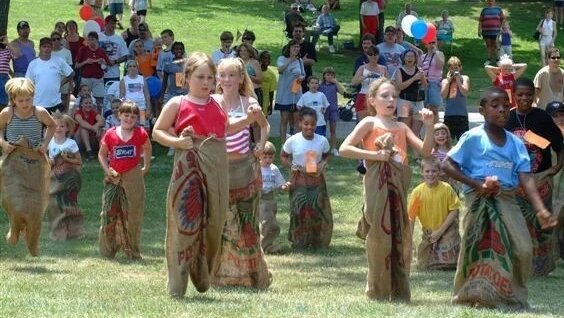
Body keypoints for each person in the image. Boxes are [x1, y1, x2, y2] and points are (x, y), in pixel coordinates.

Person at [152, 51, 257, 297]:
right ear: (187, 77)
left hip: (217, 168)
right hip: (188, 168)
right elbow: (158, 132)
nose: (207, 83)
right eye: (200, 77)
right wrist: (178, 142)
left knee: (214, 221)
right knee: (184, 222)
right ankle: (176, 285)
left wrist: (248, 120)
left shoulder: (218, 102)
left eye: (210, 78)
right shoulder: (177, 103)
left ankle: (201, 273)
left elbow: (226, 128)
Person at [443, 86, 556, 310]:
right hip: (478, 199)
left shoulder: (515, 143)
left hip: (507, 199)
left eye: (506, 105)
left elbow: (526, 178)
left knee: (522, 248)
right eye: (495, 106)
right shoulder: (473, 137)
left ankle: (513, 296)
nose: (502, 110)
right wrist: (477, 184)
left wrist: (541, 209)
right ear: (482, 110)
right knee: (476, 247)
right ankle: (470, 295)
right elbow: (447, 164)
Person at [339, 78, 435, 301]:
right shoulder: (369, 123)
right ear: (372, 100)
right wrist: (375, 156)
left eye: (394, 95)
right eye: (385, 96)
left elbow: (426, 151)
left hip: (398, 184)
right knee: (380, 233)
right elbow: (344, 149)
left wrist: (429, 127)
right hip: (377, 185)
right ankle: (377, 289)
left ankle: (398, 287)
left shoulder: (401, 126)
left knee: (399, 233)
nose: (391, 100)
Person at [211, 57, 271, 289]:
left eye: (231, 75)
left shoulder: (250, 102)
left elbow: (264, 125)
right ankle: (219, 273)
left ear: (240, 78)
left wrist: (260, 145)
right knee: (222, 221)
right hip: (219, 168)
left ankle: (250, 274)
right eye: (222, 75)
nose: (226, 79)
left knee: (246, 221)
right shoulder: (213, 101)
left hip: (244, 168)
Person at [504, 78, 563, 276]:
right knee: (518, 222)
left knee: (541, 222)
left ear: (534, 95)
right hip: (516, 180)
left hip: (540, 178)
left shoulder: (542, 117)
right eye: (520, 94)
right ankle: (518, 262)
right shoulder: (508, 119)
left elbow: (559, 144)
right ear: (513, 95)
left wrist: (558, 165)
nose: (524, 98)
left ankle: (541, 265)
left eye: (529, 94)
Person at [0, 78, 55, 256]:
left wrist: (45, 144)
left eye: (28, 99)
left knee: (36, 207)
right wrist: (3, 143)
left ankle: (33, 240)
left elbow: (52, 126)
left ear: (33, 97)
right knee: (14, 201)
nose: (25, 104)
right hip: (13, 161)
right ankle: (14, 228)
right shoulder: (7, 113)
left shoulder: (40, 112)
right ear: (13, 99)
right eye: (21, 100)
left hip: (35, 161)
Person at [98, 101, 151, 260]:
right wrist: (107, 170)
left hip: (133, 176)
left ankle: (133, 251)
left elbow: (148, 148)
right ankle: (108, 250)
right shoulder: (110, 134)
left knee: (133, 214)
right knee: (108, 213)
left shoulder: (141, 133)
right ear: (119, 115)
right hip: (113, 177)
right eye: (126, 115)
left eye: (133, 116)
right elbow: (101, 155)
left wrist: (146, 167)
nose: (129, 119)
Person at [281, 107, 332, 250]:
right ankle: (299, 242)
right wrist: (291, 165)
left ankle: (318, 241)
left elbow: (328, 154)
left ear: (316, 124)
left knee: (317, 210)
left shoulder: (322, 141)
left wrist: (323, 163)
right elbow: (283, 156)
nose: (309, 127)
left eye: (312, 124)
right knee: (299, 210)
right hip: (299, 180)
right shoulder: (293, 141)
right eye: (306, 124)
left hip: (316, 180)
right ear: (300, 123)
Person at [408, 158, 460, 270]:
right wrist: (409, 240)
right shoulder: (417, 193)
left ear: (440, 172)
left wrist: (440, 231)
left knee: (450, 264)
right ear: (422, 172)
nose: (430, 174)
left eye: (434, 171)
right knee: (424, 265)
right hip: (430, 234)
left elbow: (454, 210)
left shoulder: (446, 189)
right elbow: (411, 218)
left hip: (446, 231)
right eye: (427, 171)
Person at [46, 111, 83, 241]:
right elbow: (48, 159)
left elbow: (79, 161)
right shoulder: (50, 142)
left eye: (62, 126)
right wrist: (50, 161)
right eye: (55, 125)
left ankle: (74, 230)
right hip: (55, 178)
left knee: (69, 202)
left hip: (69, 179)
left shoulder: (71, 143)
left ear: (67, 128)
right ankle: (58, 231)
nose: (58, 128)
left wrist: (66, 159)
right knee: (54, 203)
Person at [25, 38, 74, 114]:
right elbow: (28, 82)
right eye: (44, 46)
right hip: (38, 103)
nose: (46, 49)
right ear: (40, 48)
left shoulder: (58, 61)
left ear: (51, 48)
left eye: (48, 47)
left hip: (55, 102)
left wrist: (61, 83)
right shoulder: (33, 64)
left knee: (55, 125)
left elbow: (71, 73)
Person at [259, 141, 289, 254]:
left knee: (271, 223)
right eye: (264, 157)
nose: (267, 160)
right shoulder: (256, 167)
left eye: (270, 157)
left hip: (270, 198)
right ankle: (263, 246)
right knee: (265, 222)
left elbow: (280, 183)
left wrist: (285, 186)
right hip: (259, 198)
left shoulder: (274, 169)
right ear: (259, 156)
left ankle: (267, 244)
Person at [275, 39, 305, 144]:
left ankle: (297, 142)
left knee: (297, 119)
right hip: (284, 94)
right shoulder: (281, 59)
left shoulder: (300, 61)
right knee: (284, 119)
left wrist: (301, 77)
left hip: (296, 93)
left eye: (297, 47)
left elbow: (303, 74)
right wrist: (290, 60)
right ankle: (283, 142)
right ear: (289, 48)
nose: (296, 49)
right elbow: (280, 70)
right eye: (294, 47)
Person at [352, 46, 388, 122]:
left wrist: (383, 80)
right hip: (364, 95)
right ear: (367, 56)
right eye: (370, 54)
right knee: (363, 123)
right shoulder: (362, 68)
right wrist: (365, 76)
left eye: (375, 54)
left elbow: (389, 84)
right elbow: (354, 83)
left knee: (377, 123)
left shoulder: (383, 68)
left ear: (378, 55)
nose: (373, 56)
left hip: (378, 97)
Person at [76, 32, 111, 110]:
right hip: (86, 79)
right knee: (83, 100)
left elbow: (106, 68)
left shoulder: (101, 51)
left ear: (97, 40)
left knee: (99, 101)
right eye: (89, 39)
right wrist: (85, 62)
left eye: (93, 39)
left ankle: (98, 117)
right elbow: (77, 66)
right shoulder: (83, 49)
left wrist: (103, 63)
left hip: (98, 79)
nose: (90, 41)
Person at [395, 49, 426, 136]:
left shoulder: (419, 70)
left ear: (415, 59)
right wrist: (414, 78)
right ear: (404, 58)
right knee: (405, 129)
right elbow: (399, 86)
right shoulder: (399, 70)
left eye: (412, 56)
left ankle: (414, 148)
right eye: (408, 56)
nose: (410, 58)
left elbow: (425, 86)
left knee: (416, 131)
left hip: (418, 101)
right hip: (405, 101)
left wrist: (422, 77)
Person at [441, 56, 470, 141]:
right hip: (449, 115)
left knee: (463, 141)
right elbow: (443, 95)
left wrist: (458, 80)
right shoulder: (445, 81)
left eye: (456, 68)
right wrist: (448, 82)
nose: (454, 70)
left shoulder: (464, 78)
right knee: (447, 141)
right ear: (449, 69)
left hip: (462, 115)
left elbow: (465, 92)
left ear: (460, 68)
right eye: (452, 68)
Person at [318, 66, 345, 156]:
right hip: (323, 110)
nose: (329, 77)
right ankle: (323, 148)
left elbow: (342, 92)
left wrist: (336, 82)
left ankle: (333, 148)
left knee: (333, 130)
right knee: (322, 129)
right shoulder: (320, 86)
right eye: (328, 75)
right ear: (324, 76)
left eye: (332, 75)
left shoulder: (334, 85)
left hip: (333, 109)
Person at [120, 60, 151, 130]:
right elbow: (121, 96)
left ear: (137, 68)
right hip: (129, 108)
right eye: (130, 66)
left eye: (134, 66)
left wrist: (148, 108)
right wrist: (123, 108)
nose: (132, 68)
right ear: (127, 68)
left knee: (143, 127)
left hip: (142, 107)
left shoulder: (142, 78)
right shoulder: (124, 80)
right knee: (130, 126)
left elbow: (147, 94)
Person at [99, 15, 130, 84]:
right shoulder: (98, 36)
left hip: (113, 74)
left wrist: (115, 61)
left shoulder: (119, 39)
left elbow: (125, 56)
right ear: (106, 23)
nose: (113, 25)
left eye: (114, 23)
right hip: (98, 74)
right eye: (111, 23)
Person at [419, 39, 445, 120]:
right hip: (424, 83)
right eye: (429, 43)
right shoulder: (423, 57)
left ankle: (436, 128)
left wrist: (435, 52)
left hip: (434, 83)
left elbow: (440, 66)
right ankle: (426, 128)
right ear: (426, 45)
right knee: (424, 107)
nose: (431, 45)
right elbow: (419, 68)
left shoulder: (440, 54)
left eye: (433, 42)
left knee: (434, 108)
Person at [50, 31, 74, 112]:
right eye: (54, 39)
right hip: (52, 79)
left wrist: (71, 83)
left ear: (61, 40)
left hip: (65, 79)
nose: (56, 41)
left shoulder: (67, 52)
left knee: (64, 102)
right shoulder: (48, 52)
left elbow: (70, 69)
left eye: (58, 39)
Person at [290, 24, 317, 93]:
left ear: (303, 33)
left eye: (300, 31)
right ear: (292, 32)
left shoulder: (309, 46)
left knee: (305, 99)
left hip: (305, 77)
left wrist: (297, 61)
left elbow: (312, 61)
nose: (298, 33)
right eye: (296, 31)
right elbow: (285, 62)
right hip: (292, 78)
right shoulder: (288, 46)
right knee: (293, 97)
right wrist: (302, 61)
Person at [478, 0, 505, 65]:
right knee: (488, 45)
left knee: (496, 45)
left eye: (492, 0)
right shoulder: (484, 10)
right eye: (489, 1)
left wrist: (501, 27)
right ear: (487, 1)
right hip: (486, 31)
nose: (490, 2)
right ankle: (489, 59)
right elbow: (480, 21)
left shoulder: (498, 9)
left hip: (496, 31)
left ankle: (498, 60)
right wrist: (479, 30)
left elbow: (503, 19)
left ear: (494, 1)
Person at [236, 43, 263, 109]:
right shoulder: (237, 62)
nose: (243, 52)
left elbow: (260, 80)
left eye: (245, 51)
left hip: (255, 91)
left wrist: (246, 75)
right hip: (241, 92)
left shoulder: (254, 63)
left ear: (249, 52)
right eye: (241, 51)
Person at [0, 35, 21, 108]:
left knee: (4, 104)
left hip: (3, 78)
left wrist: (7, 43)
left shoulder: (7, 50)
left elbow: (18, 55)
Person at [259, 51, 277, 117]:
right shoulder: (256, 71)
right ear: (260, 59)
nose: (266, 60)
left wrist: (271, 105)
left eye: (268, 58)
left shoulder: (271, 74)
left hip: (265, 101)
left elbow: (271, 91)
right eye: (264, 58)